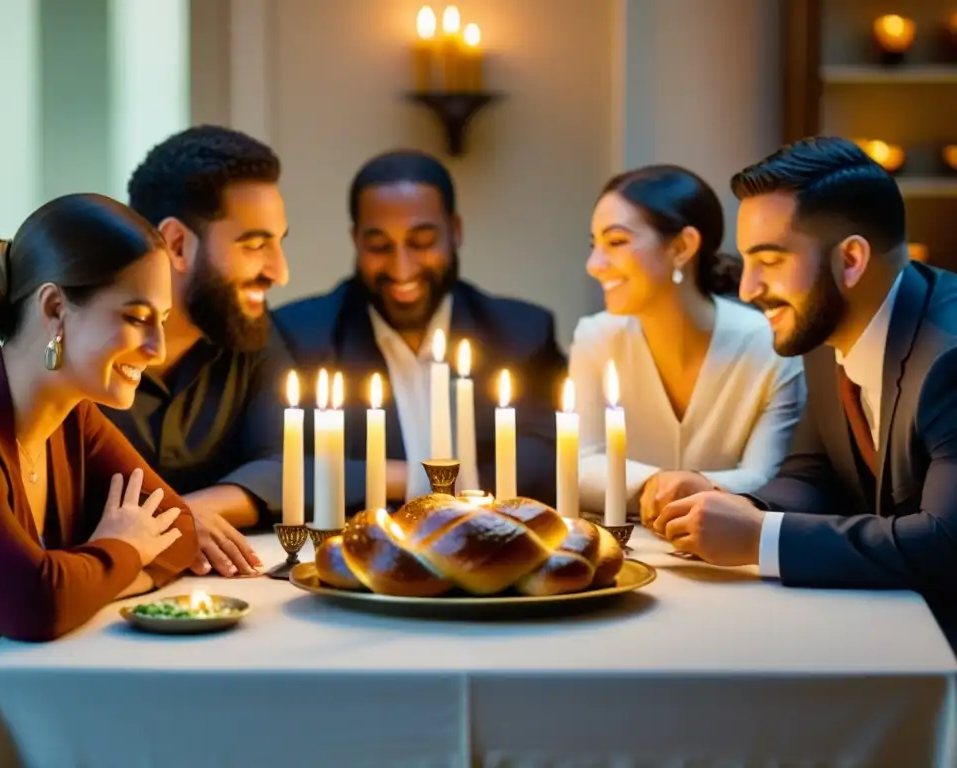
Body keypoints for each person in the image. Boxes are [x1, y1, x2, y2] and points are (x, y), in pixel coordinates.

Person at [651, 137, 957, 642]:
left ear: (851, 260)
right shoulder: (826, 323)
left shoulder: (948, 355)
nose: (747, 289)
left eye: (769, 261)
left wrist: (760, 538)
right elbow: (813, 472)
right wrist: (735, 502)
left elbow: (945, 543)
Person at [0, 193, 199, 765]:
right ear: (55, 308)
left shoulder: (75, 417)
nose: (155, 350)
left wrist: (79, 576)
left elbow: (178, 532)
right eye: (135, 318)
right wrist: (120, 548)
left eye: (163, 323)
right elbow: (35, 607)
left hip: (42, 731)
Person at [271, 150, 567, 509]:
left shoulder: (523, 332)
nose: (402, 267)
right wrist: (421, 480)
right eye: (379, 245)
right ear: (356, 241)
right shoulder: (301, 335)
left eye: (422, 242)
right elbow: (282, 466)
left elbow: (547, 459)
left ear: (455, 231)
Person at [106, 125, 294, 578]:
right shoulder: (88, 347)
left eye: (278, 242)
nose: (279, 272)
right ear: (176, 244)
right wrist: (180, 521)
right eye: (254, 245)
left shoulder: (249, 330)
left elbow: (286, 462)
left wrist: (187, 511)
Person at [571, 165, 805, 522]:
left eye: (616, 242)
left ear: (682, 247)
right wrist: (654, 483)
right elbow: (578, 463)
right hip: (626, 549)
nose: (594, 264)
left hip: (730, 557)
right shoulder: (596, 337)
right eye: (594, 245)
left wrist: (685, 485)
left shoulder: (768, 346)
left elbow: (767, 478)